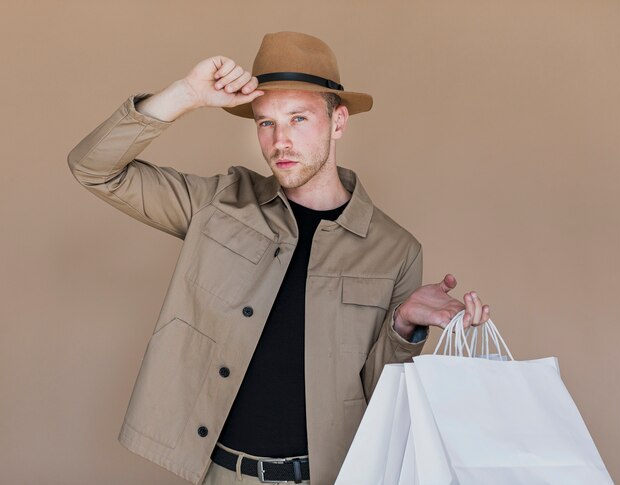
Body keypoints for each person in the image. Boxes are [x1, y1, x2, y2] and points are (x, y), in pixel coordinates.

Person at [68, 32, 490, 485]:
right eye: (265, 122)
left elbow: (378, 396)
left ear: (338, 122)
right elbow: (94, 168)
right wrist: (186, 94)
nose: (279, 141)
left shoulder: (396, 250)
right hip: (222, 473)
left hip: (326, 477)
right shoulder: (220, 203)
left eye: (298, 119)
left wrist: (403, 326)